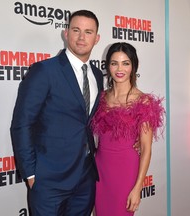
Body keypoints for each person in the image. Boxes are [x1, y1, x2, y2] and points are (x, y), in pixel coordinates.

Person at [10, 10, 103, 216]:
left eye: (88, 32)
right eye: (76, 30)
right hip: (49, 180)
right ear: (65, 33)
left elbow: (90, 121)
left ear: (96, 39)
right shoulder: (44, 70)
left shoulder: (97, 75)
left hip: (85, 178)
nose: (81, 37)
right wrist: (31, 174)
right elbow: (22, 124)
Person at [91, 42, 164, 216]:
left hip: (125, 171)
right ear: (108, 66)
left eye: (126, 63)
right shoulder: (100, 97)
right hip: (100, 169)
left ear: (133, 66)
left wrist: (138, 187)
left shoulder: (142, 101)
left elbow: (146, 149)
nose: (119, 68)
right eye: (114, 63)